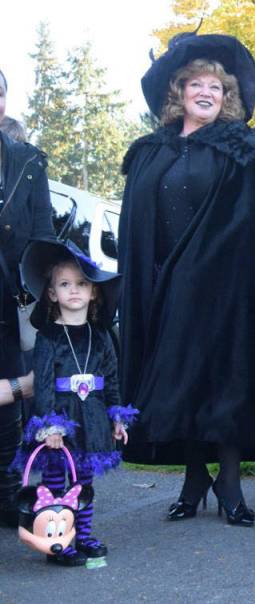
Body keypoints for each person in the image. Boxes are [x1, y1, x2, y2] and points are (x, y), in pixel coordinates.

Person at [119, 34, 255, 527]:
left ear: (227, 96)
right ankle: (193, 479)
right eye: (196, 85)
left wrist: (200, 268)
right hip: (162, 289)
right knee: (178, 382)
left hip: (222, 291)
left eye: (216, 86)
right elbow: (135, 226)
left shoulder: (241, 149)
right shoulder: (150, 151)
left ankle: (229, 483)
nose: (207, 92)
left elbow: (249, 226)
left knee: (224, 382)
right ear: (179, 92)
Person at [12, 239, 132, 566]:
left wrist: (117, 417)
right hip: (60, 421)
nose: (74, 290)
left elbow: (112, 380)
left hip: (91, 420)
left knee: (83, 484)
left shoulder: (102, 335)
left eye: (82, 283)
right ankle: (58, 542)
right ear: (52, 294)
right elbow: (44, 386)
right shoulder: (48, 337)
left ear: (94, 292)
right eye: (65, 284)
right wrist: (50, 426)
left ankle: (84, 535)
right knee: (55, 484)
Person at [0, 67, 54, 528]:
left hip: (9, 299)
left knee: (9, 397)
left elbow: (42, 234)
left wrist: (46, 295)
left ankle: (6, 496)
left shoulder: (28, 161)